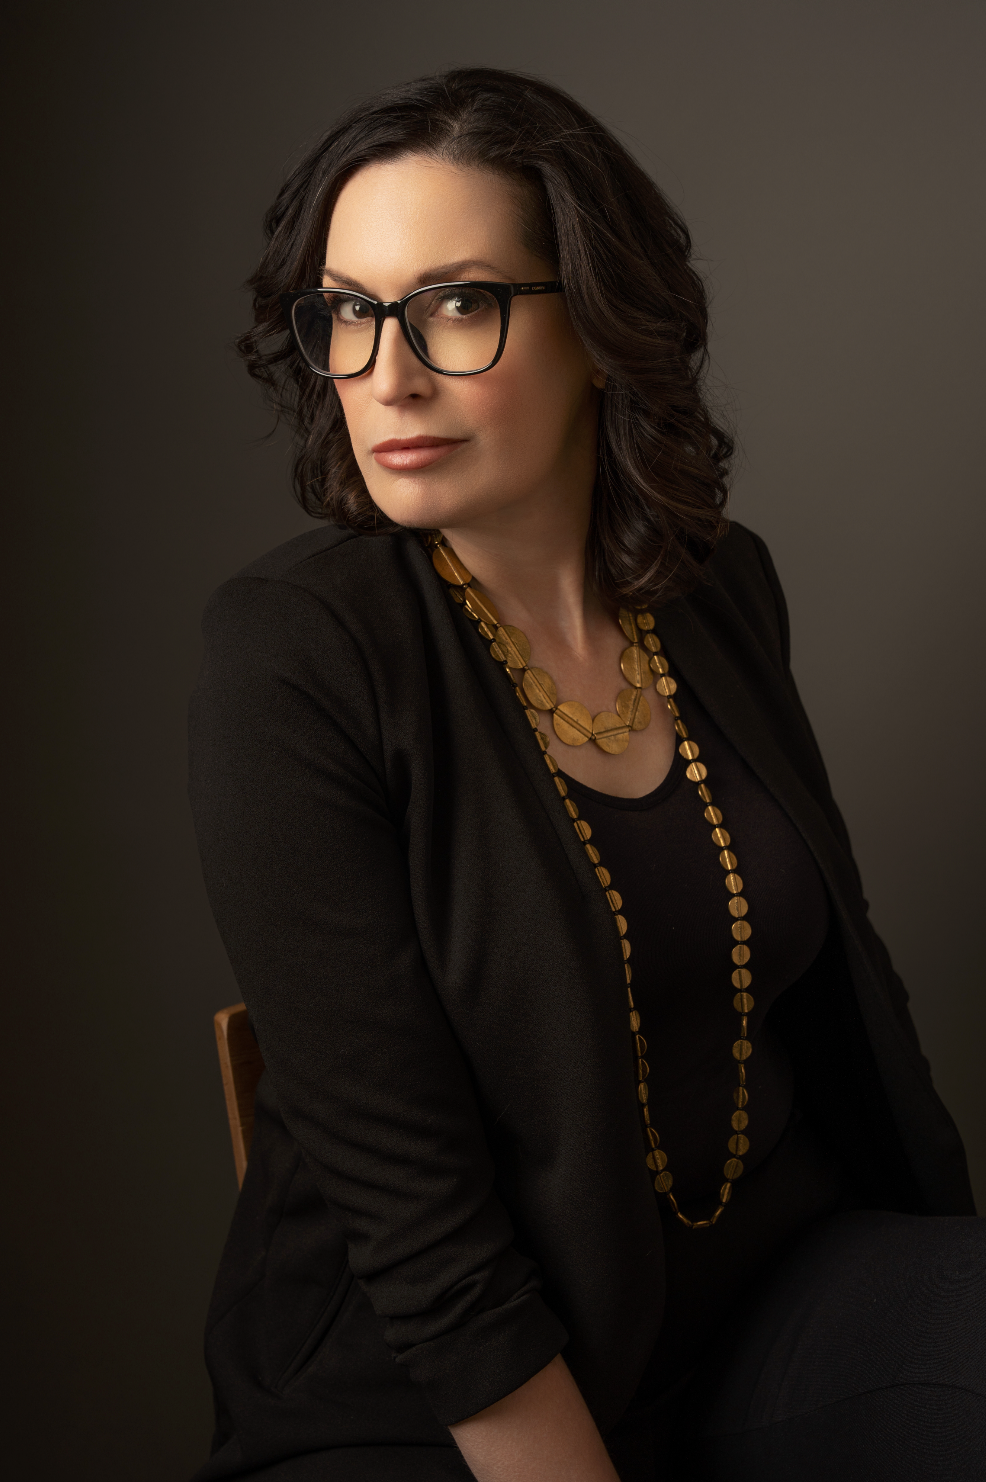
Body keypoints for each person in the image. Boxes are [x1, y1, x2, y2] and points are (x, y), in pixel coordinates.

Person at [188, 68, 983, 1482]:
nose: (388, 375)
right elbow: (417, 1221)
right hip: (425, 1397)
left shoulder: (716, 589)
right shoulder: (294, 654)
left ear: (602, 328)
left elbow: (841, 990)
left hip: (755, 1312)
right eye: (350, 313)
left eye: (455, 304)